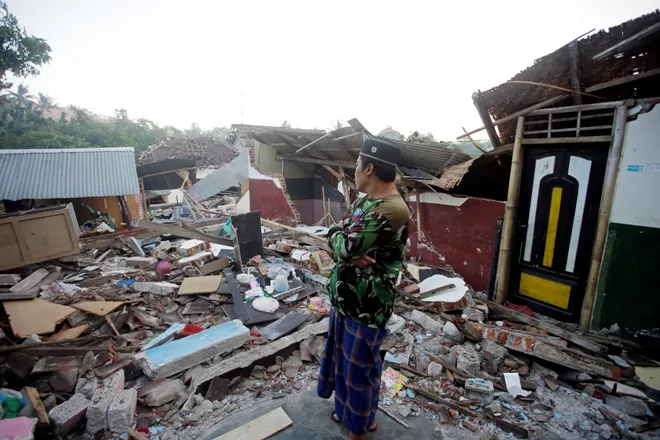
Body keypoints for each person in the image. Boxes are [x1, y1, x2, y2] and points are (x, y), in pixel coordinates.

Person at [317, 137, 410, 440]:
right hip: (346, 298)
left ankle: (359, 429)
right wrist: (341, 241)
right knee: (343, 364)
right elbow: (341, 235)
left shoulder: (393, 209)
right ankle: (350, 414)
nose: (354, 171)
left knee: (360, 371)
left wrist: (341, 241)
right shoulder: (364, 201)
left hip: (367, 306)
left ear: (369, 168)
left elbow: (346, 243)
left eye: (356, 165)